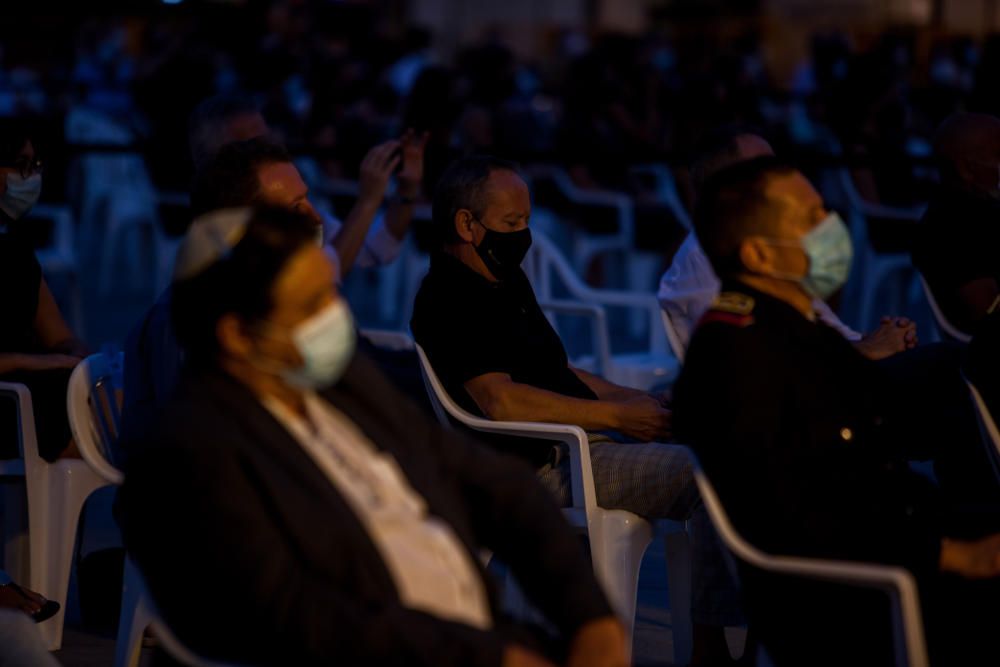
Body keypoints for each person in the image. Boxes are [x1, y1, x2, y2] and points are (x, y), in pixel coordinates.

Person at [120, 205, 628, 667]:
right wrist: (493, 655)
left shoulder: (341, 383)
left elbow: (492, 481)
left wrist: (590, 617)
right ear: (235, 334)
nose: (336, 316)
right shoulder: (189, 450)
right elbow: (299, 619)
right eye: (314, 302)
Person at [411, 155, 745, 666]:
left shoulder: (504, 280)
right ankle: (709, 648)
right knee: (711, 475)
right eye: (512, 224)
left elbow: (558, 371)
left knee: (725, 442)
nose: (524, 236)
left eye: (526, 221)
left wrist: (632, 400)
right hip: (544, 466)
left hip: (580, 445)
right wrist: (615, 419)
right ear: (466, 223)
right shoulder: (449, 296)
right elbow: (499, 400)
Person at [673, 156, 1000, 666]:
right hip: (852, 593)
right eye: (809, 219)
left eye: (824, 211)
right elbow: (792, 513)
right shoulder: (735, 353)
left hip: (896, 541)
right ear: (759, 254)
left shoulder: (796, 326)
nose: (830, 229)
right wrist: (952, 553)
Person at [122, 135, 428, 447]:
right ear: (242, 225)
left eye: (307, 200)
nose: (315, 217)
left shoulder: (270, 296)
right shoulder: (195, 329)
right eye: (295, 207)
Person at [659, 127, 917, 360]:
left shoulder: (771, 250)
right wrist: (867, 351)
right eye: (767, 169)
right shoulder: (705, 256)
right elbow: (759, 363)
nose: (781, 179)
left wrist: (882, 340)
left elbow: (831, 335)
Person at [187, 92, 428, 279]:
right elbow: (324, 273)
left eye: (268, 140)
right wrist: (367, 201)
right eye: (254, 146)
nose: (315, 218)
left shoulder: (288, 203)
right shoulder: (227, 254)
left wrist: (407, 188)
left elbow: (375, 249)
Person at [0, 120, 87, 463]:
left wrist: (76, 355)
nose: (30, 178)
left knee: (109, 388)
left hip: (29, 388)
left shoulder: (15, 248)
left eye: (34, 166)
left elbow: (59, 336)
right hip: (11, 395)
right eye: (20, 166)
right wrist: (32, 362)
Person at [913, 112, 1000, 336]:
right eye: (998, 155)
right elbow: (987, 310)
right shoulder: (951, 228)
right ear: (965, 169)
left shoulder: (980, 210)